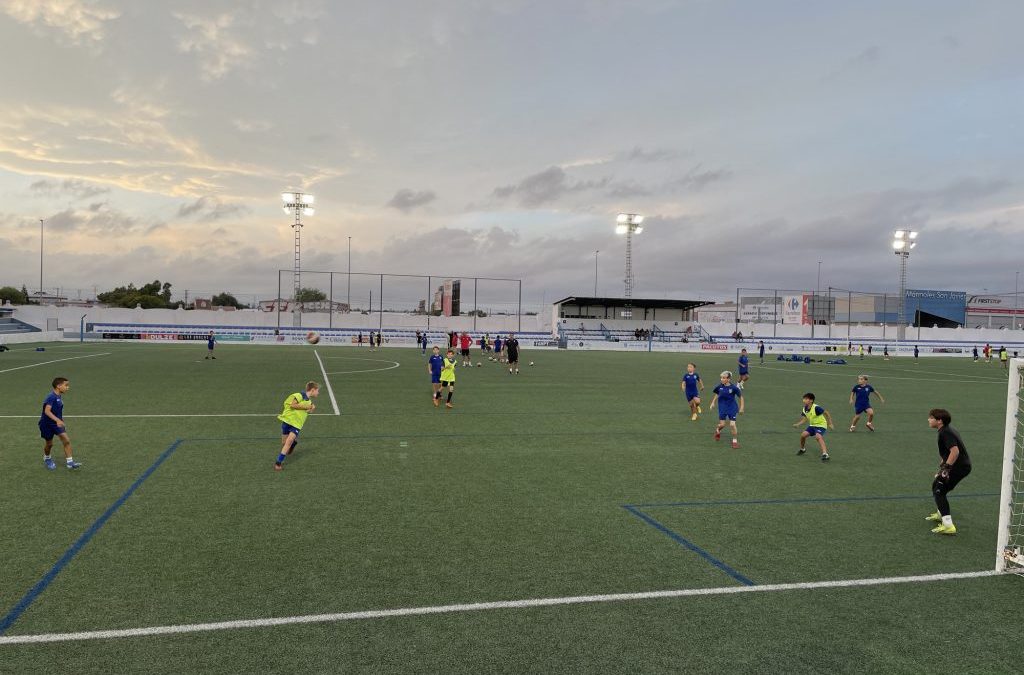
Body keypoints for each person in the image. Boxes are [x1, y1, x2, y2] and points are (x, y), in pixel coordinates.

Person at [925, 408, 972, 535]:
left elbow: (955, 451)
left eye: (931, 418)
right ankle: (941, 513)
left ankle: (948, 525)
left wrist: (945, 470)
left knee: (939, 491)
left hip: (959, 467)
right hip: (957, 466)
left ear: (939, 421)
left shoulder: (946, 432)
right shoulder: (945, 430)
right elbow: (948, 451)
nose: (928, 419)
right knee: (937, 486)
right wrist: (943, 464)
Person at [274, 381, 320, 471]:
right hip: (287, 421)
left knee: (288, 442)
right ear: (312, 390)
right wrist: (308, 407)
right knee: (284, 444)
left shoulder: (309, 402)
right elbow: (293, 405)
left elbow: (308, 412)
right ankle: (294, 443)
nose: (318, 393)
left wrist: (312, 409)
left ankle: (278, 463)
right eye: (317, 391)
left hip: (296, 425)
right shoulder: (300, 395)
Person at [39, 377, 80, 470]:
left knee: (66, 440)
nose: (67, 387)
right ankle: (47, 458)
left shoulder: (58, 396)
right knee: (49, 444)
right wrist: (57, 420)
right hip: (46, 424)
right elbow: (47, 411)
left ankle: (70, 462)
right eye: (66, 385)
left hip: (56, 424)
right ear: (58, 386)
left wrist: (59, 420)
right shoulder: (51, 396)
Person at [795, 392, 834, 461]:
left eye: (806, 399)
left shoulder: (816, 408)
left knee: (818, 436)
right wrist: (798, 424)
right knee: (803, 435)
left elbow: (826, 413)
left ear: (811, 400)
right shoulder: (805, 409)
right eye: (804, 399)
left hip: (821, 425)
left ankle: (825, 454)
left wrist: (830, 423)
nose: (804, 400)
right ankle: (802, 449)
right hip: (812, 425)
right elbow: (805, 419)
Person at [709, 370, 744, 449]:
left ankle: (734, 441)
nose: (722, 379)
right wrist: (713, 403)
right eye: (721, 378)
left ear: (728, 379)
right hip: (722, 408)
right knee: (722, 425)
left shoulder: (734, 388)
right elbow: (717, 393)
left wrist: (741, 407)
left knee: (732, 424)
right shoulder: (720, 386)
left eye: (724, 378)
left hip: (732, 407)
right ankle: (718, 430)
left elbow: (741, 397)